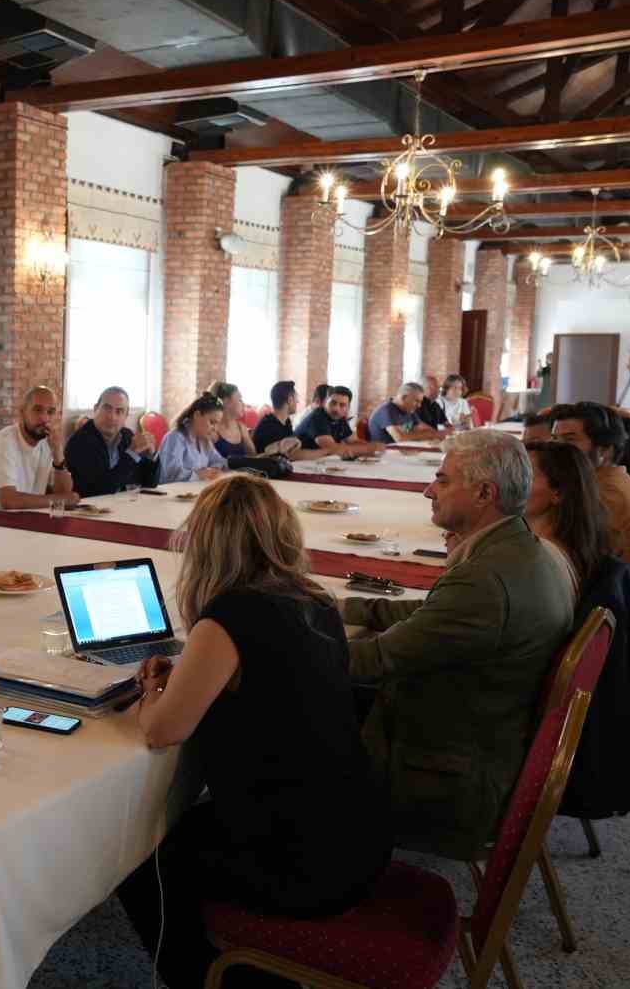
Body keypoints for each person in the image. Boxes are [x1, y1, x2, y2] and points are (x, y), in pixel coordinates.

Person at [115, 476, 391, 989]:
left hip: (304, 862)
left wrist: (154, 689)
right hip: (360, 832)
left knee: (138, 862)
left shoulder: (227, 619)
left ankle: (218, 980)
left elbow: (162, 730)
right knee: (188, 830)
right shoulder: (316, 599)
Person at [343, 430, 573, 858]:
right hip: (483, 740)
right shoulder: (529, 551)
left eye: (443, 480)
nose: (429, 491)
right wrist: (335, 608)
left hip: (440, 778)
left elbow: (373, 660)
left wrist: (271, 648)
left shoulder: (484, 581)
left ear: (485, 493)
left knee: (271, 709)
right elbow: (432, 615)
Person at [547, 402, 630, 582]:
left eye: (570, 440)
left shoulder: (609, 495)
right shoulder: (604, 481)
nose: (555, 448)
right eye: (555, 439)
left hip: (606, 597)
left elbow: (566, 556)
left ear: (605, 450)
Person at [0, 386, 78, 515]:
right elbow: (9, 501)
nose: (44, 418)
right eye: (37, 410)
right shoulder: (4, 442)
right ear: (22, 412)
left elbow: (64, 496)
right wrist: (60, 499)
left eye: (50, 412)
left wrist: (58, 453)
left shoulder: (48, 443)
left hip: (21, 522)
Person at [523, 441, 613, 599]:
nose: (509, 484)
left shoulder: (539, 559)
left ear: (558, 493)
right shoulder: (574, 541)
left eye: (523, 476)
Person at [64, 386, 158, 498]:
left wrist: (151, 456)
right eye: (107, 408)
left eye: (119, 411)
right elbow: (100, 491)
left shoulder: (127, 436)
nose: (112, 417)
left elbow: (150, 484)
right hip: (89, 511)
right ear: (95, 409)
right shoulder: (80, 442)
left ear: (126, 416)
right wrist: (131, 454)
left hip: (123, 508)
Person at [157, 394, 230, 485]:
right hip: (170, 494)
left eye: (217, 424)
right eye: (212, 422)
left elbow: (218, 461)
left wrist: (214, 470)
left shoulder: (204, 440)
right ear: (197, 415)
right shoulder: (175, 437)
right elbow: (171, 474)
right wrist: (200, 473)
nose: (215, 428)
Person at [297, 386, 384, 456]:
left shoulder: (340, 417)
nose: (336, 408)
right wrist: (368, 449)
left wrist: (371, 446)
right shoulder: (317, 417)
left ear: (348, 408)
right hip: (298, 464)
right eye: (333, 403)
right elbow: (331, 448)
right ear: (325, 403)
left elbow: (352, 441)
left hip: (320, 462)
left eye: (342, 405)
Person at [250, 380, 309, 459]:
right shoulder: (268, 426)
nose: (297, 402)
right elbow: (292, 455)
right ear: (290, 399)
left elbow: (293, 447)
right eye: (296, 398)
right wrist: (325, 451)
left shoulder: (286, 421)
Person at [368, 382, 443, 443]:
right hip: (385, 456)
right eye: (416, 401)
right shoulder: (386, 410)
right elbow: (400, 438)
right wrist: (429, 434)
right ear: (403, 397)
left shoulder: (409, 410)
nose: (419, 406)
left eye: (420, 402)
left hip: (402, 452)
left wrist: (434, 434)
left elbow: (426, 429)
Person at [207, 382, 258, 459]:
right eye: (240, 400)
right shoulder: (212, 430)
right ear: (226, 402)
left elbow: (254, 457)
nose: (243, 404)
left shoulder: (241, 428)